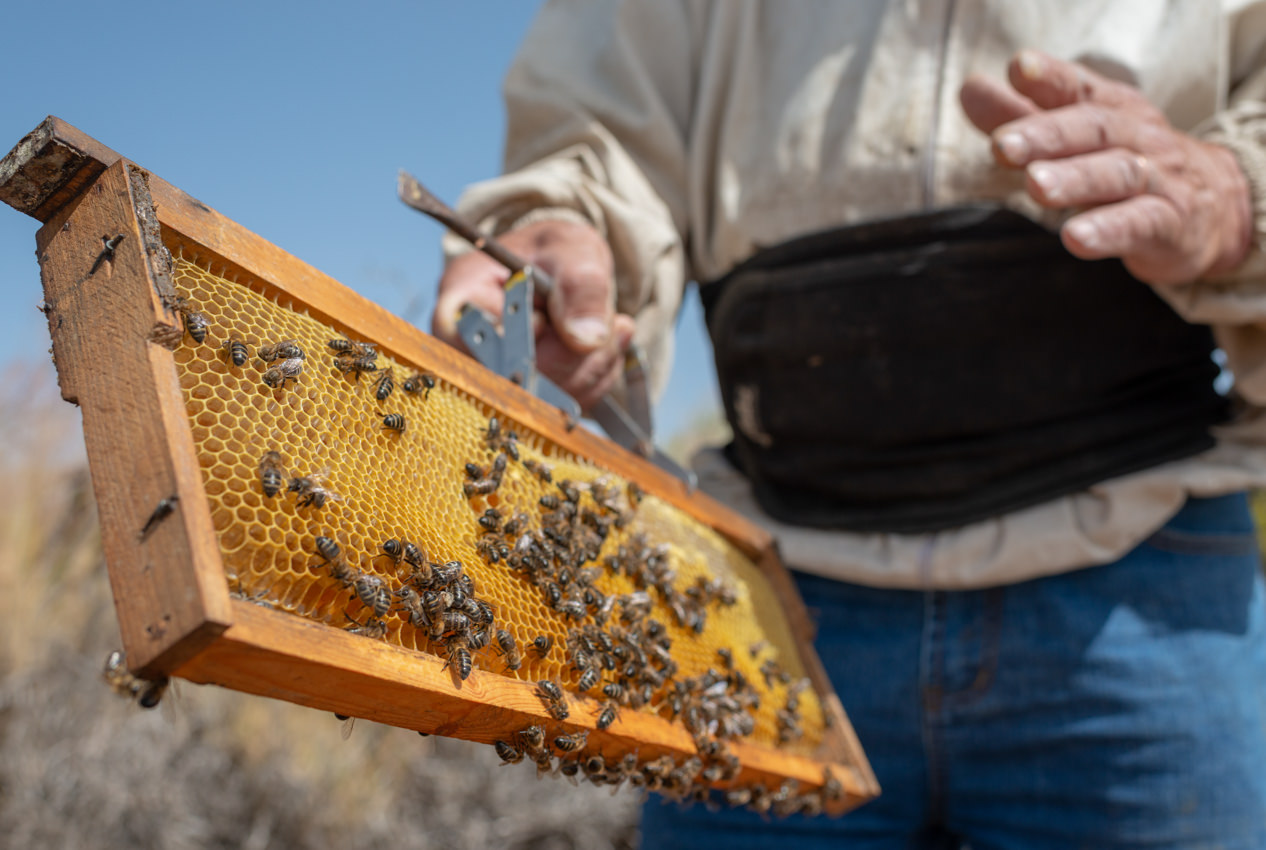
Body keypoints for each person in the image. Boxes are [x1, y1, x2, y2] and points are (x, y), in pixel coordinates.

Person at [435, 3, 1266, 847]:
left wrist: (1239, 192)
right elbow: (593, 127)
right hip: (770, 599)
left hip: (1144, 568)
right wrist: (569, 235)